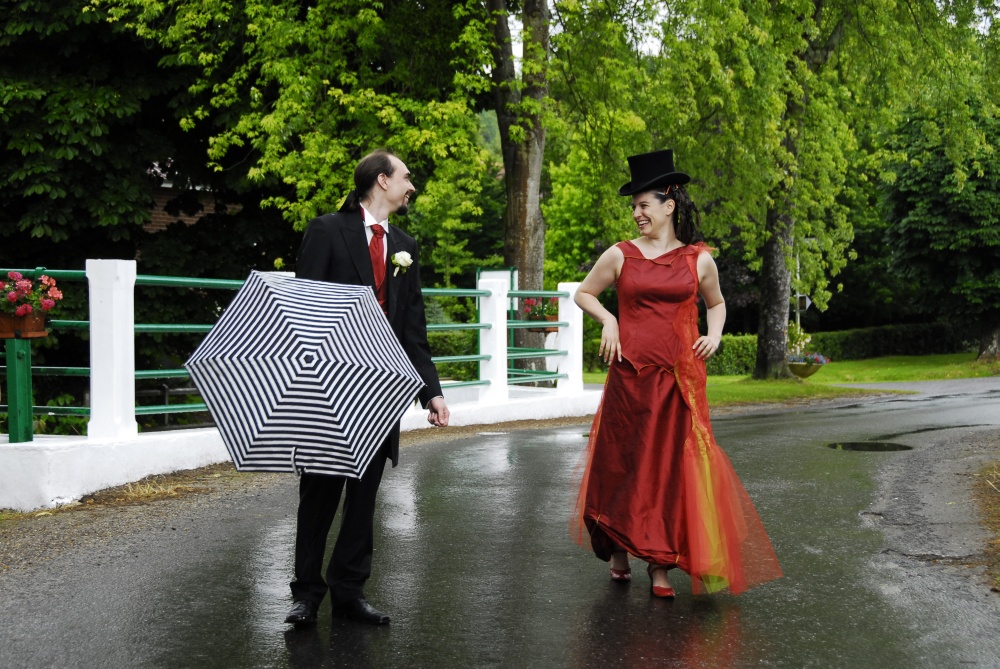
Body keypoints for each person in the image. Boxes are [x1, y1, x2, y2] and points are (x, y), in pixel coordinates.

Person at [570, 149, 782, 597]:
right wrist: (609, 320)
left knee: (669, 470)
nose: (636, 213)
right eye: (633, 207)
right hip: (630, 380)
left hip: (679, 383)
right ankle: (621, 551)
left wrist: (716, 335)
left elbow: (717, 304)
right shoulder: (620, 255)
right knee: (624, 464)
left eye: (643, 204)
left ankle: (660, 564)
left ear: (668, 205)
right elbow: (583, 294)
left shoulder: (698, 260)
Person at [286, 149, 450, 626]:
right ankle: (306, 594)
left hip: (381, 389)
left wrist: (430, 391)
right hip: (331, 384)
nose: (411, 185)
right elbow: (304, 309)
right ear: (382, 181)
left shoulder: (405, 245)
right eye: (406, 177)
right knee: (319, 492)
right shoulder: (326, 230)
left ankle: (349, 592)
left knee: (364, 495)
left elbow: (412, 326)